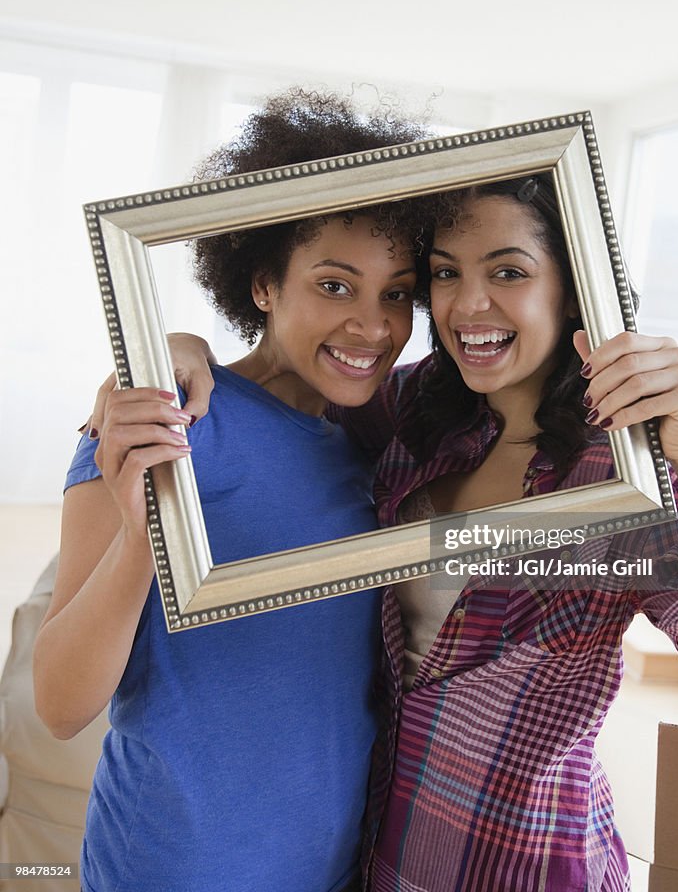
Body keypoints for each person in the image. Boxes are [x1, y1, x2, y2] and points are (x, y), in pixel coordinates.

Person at [163, 174, 678, 892]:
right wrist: (182, 351)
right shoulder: (415, 408)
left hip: (526, 864)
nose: (469, 304)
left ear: (572, 293)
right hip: (383, 854)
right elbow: (296, 384)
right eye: (447, 274)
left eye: (508, 272)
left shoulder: (619, 481)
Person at [32, 89, 439, 892]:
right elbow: (59, 702)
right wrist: (147, 534)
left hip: (326, 871)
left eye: (396, 293)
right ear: (261, 284)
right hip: (170, 868)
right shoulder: (165, 421)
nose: (372, 325)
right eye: (334, 285)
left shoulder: (377, 449)